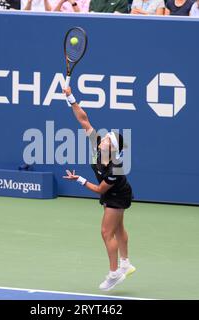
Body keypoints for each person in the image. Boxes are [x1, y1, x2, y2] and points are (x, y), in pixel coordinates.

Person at [62, 86, 135, 292]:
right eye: (104, 138)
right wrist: (71, 97)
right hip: (113, 192)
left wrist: (79, 179)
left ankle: (114, 274)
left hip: (117, 195)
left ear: (112, 148)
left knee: (106, 232)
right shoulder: (97, 145)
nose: (102, 139)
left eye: (107, 140)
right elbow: (83, 119)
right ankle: (126, 263)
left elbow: (100, 189)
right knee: (118, 228)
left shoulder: (115, 168)